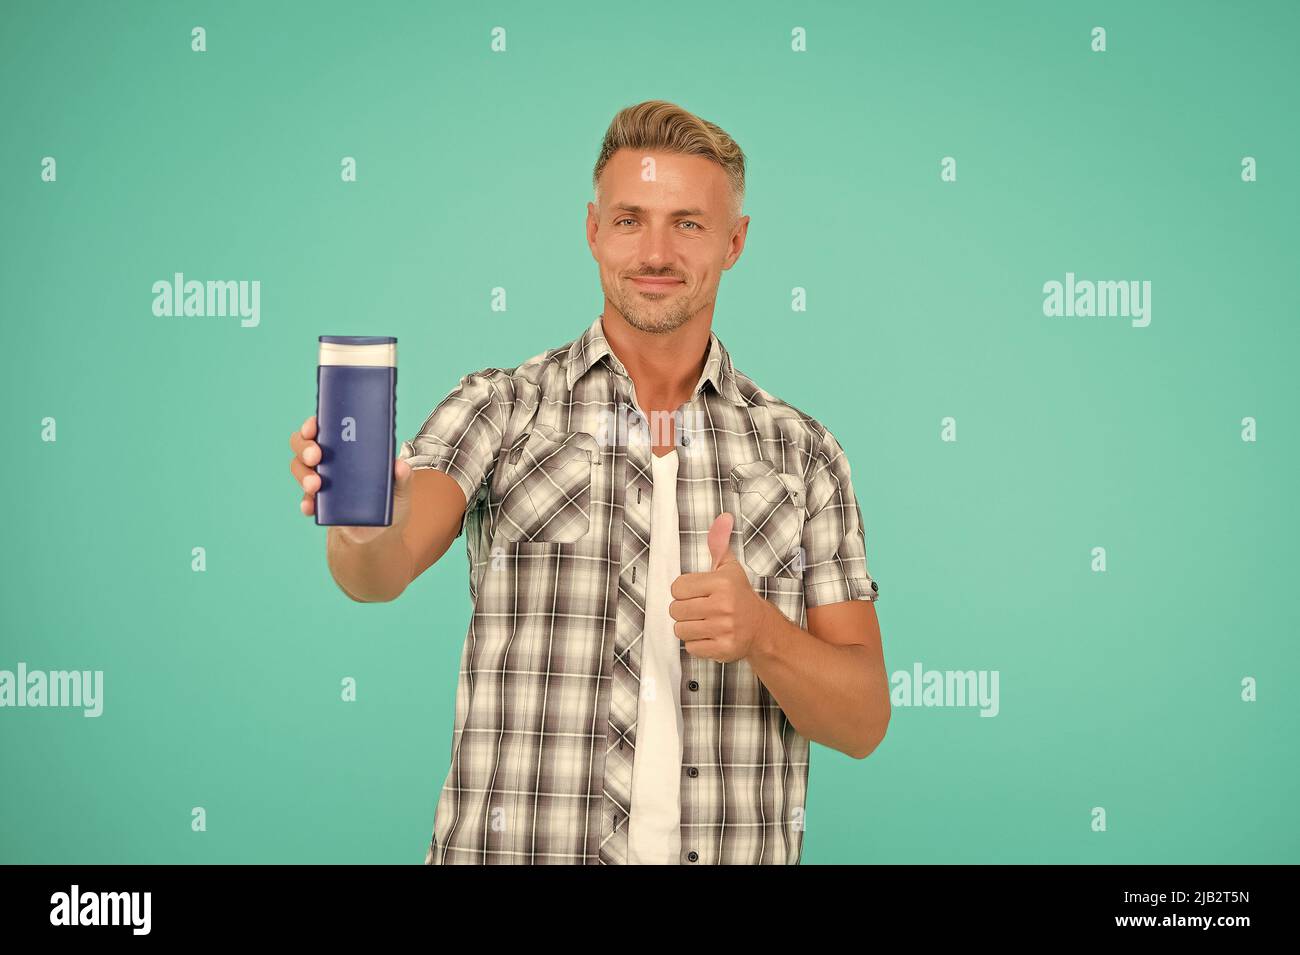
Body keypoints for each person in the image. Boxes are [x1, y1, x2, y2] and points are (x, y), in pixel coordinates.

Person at [288, 100, 889, 864]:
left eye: (689, 223)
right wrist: (361, 522)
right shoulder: (500, 408)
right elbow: (378, 571)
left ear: (735, 241)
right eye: (631, 219)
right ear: (593, 231)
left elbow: (864, 719)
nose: (656, 250)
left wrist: (764, 635)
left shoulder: (802, 453)